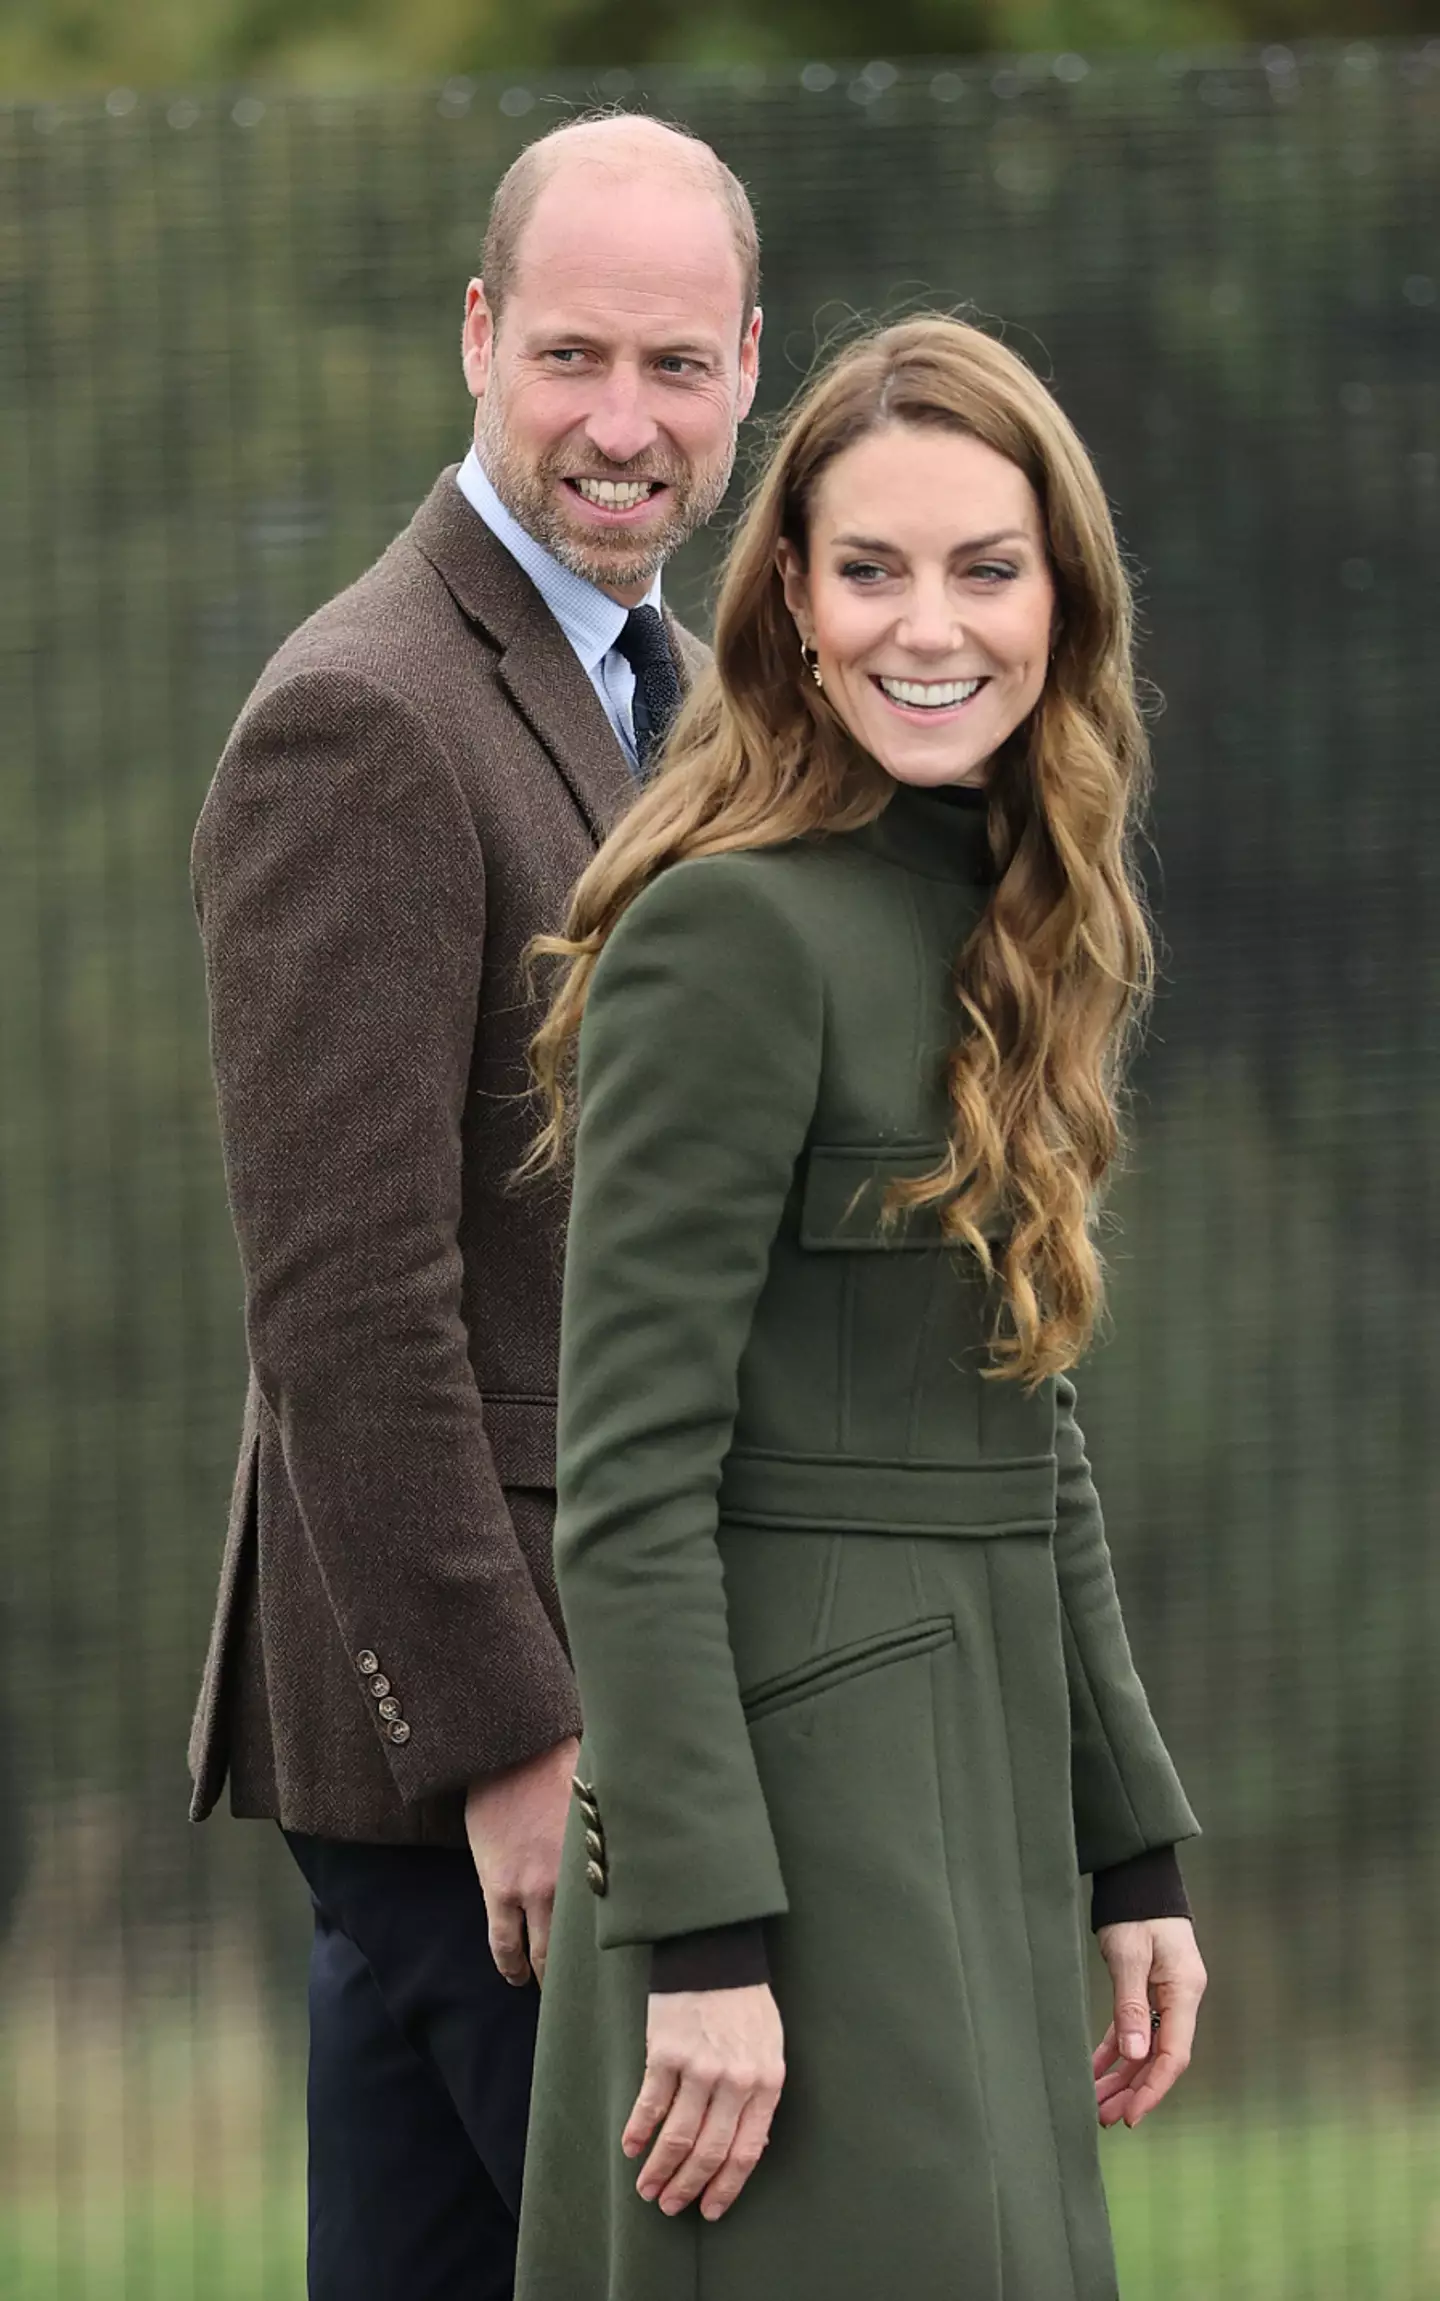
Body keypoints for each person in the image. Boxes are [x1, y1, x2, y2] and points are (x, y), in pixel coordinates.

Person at [518, 315, 1207, 2301]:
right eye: (873, 569)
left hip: (976, 1792)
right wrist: (711, 1939)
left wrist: (1130, 1836)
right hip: (790, 1853)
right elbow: (632, 1485)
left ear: (1060, 600)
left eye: (986, 568)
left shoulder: (1009, 918)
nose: (934, 625)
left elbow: (1024, 1419)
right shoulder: (730, 930)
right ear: (794, 608)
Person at [186, 113, 762, 2301]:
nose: (626, 424)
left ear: (746, 372)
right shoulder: (364, 716)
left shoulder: (682, 698)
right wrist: (514, 1743)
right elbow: (345, 1303)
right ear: (476, 339)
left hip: (582, 1714)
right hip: (497, 1748)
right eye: (574, 357)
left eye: (680, 366)